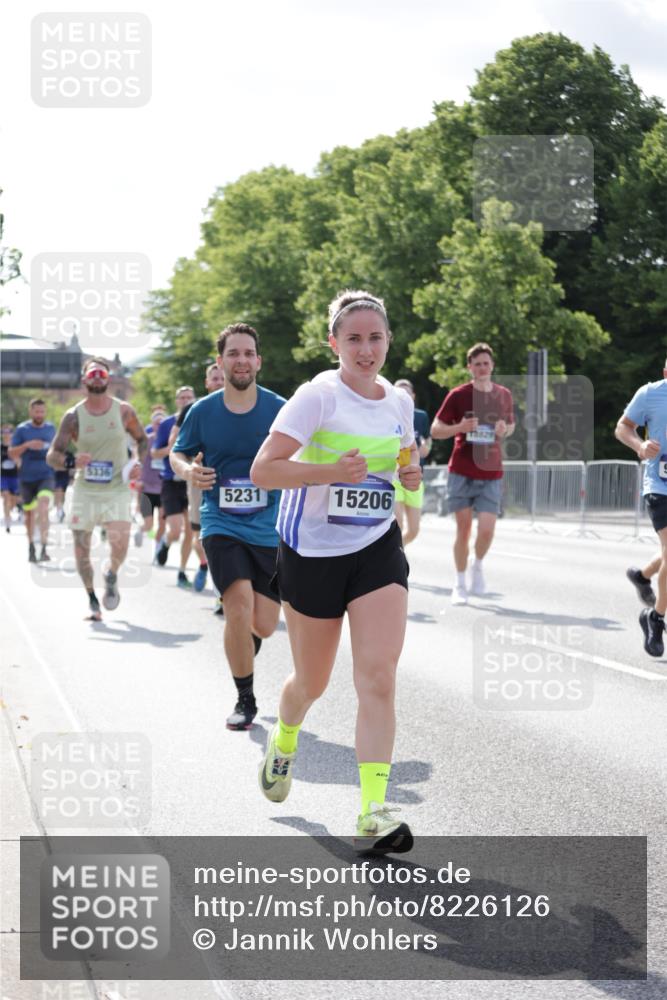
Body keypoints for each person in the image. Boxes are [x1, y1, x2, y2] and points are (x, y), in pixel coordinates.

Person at [251, 290, 421, 854]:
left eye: (376, 338)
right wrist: (328, 470)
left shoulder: (397, 401)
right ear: (334, 343)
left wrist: (411, 474)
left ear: (388, 341)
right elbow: (264, 471)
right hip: (311, 553)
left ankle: (372, 811)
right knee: (312, 683)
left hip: (376, 546)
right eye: (354, 338)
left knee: (378, 676)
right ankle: (286, 734)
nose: (366, 349)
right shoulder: (315, 397)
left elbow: (405, 456)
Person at [171, 324, 285, 729]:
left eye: (248, 353)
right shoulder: (203, 410)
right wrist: (189, 471)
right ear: (220, 362)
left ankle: (244, 643)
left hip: (269, 528)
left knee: (265, 624)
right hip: (221, 522)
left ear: (258, 361)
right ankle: (245, 698)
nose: (241, 360)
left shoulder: (279, 408)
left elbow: (306, 451)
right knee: (236, 605)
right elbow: (178, 453)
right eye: (232, 353)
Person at [46, 358, 147, 621]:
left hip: (117, 487)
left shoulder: (124, 411)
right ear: (84, 380)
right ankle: (92, 599)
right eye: (93, 374)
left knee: (121, 543)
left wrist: (137, 464)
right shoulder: (73, 416)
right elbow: (52, 455)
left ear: (109, 379)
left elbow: (142, 440)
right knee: (81, 548)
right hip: (85, 489)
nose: (98, 378)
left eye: (102, 374)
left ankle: (111, 572)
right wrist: (70, 460)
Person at [431, 343, 514, 605]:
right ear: (470, 367)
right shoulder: (458, 395)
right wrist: (460, 426)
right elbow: (435, 430)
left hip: (492, 470)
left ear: (492, 366)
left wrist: (504, 429)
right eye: (477, 363)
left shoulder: (503, 395)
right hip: (462, 471)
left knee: (487, 530)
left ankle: (477, 565)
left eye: (486, 363)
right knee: (464, 529)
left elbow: (510, 426)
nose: (482, 367)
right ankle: (459, 582)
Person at [615, 359, 667, 657]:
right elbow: (623, 427)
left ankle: (642, 575)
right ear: (665, 374)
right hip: (659, 486)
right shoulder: (649, 394)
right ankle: (656, 618)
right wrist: (639, 446)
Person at [170, 364, 225, 592]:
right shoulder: (194, 409)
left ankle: (222, 591)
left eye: (222, 378)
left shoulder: (246, 407)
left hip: (233, 483)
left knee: (227, 538)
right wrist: (187, 468)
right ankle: (203, 564)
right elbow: (176, 445)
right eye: (215, 379)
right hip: (200, 478)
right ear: (207, 383)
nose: (219, 382)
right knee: (200, 535)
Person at [152, 386, 196, 587]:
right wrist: (172, 449)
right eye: (182, 397)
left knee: (189, 530)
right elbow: (155, 453)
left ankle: (182, 570)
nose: (186, 400)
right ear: (177, 401)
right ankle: (166, 543)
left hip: (192, 480)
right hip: (171, 480)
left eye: (189, 397)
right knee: (176, 530)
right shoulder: (167, 423)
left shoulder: (199, 418)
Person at [9, 399, 56, 562]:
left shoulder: (51, 429)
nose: (40, 415)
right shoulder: (22, 430)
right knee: (29, 515)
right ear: (31, 412)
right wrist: (27, 445)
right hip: (26, 477)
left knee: (43, 507)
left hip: (46, 475)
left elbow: (58, 450)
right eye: (37, 412)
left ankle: (43, 548)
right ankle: (31, 547)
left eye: (42, 411)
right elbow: (12, 453)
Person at [393, 378, 431, 545]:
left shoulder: (421, 416)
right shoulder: (386, 414)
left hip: (414, 476)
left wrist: (426, 447)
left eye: (406, 392)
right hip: (393, 476)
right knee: (398, 525)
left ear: (413, 396)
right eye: (398, 392)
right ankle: (394, 559)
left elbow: (427, 439)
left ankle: (397, 551)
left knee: (414, 531)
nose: (402, 396)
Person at [134, 406, 167, 551]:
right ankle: (140, 531)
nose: (159, 425)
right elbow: (138, 461)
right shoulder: (146, 441)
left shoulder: (170, 442)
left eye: (162, 422)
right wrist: (138, 480)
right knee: (148, 524)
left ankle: (158, 546)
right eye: (156, 422)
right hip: (147, 487)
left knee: (162, 522)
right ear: (152, 424)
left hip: (164, 488)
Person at [1, 423, 20, 532]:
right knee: (5, 497)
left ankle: (12, 509)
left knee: (13, 500)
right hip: (2, 476)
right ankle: (7, 522)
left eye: (9, 432)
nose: (6, 434)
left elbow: (20, 462)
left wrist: (17, 461)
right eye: (4, 432)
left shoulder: (16, 446)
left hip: (15, 476)